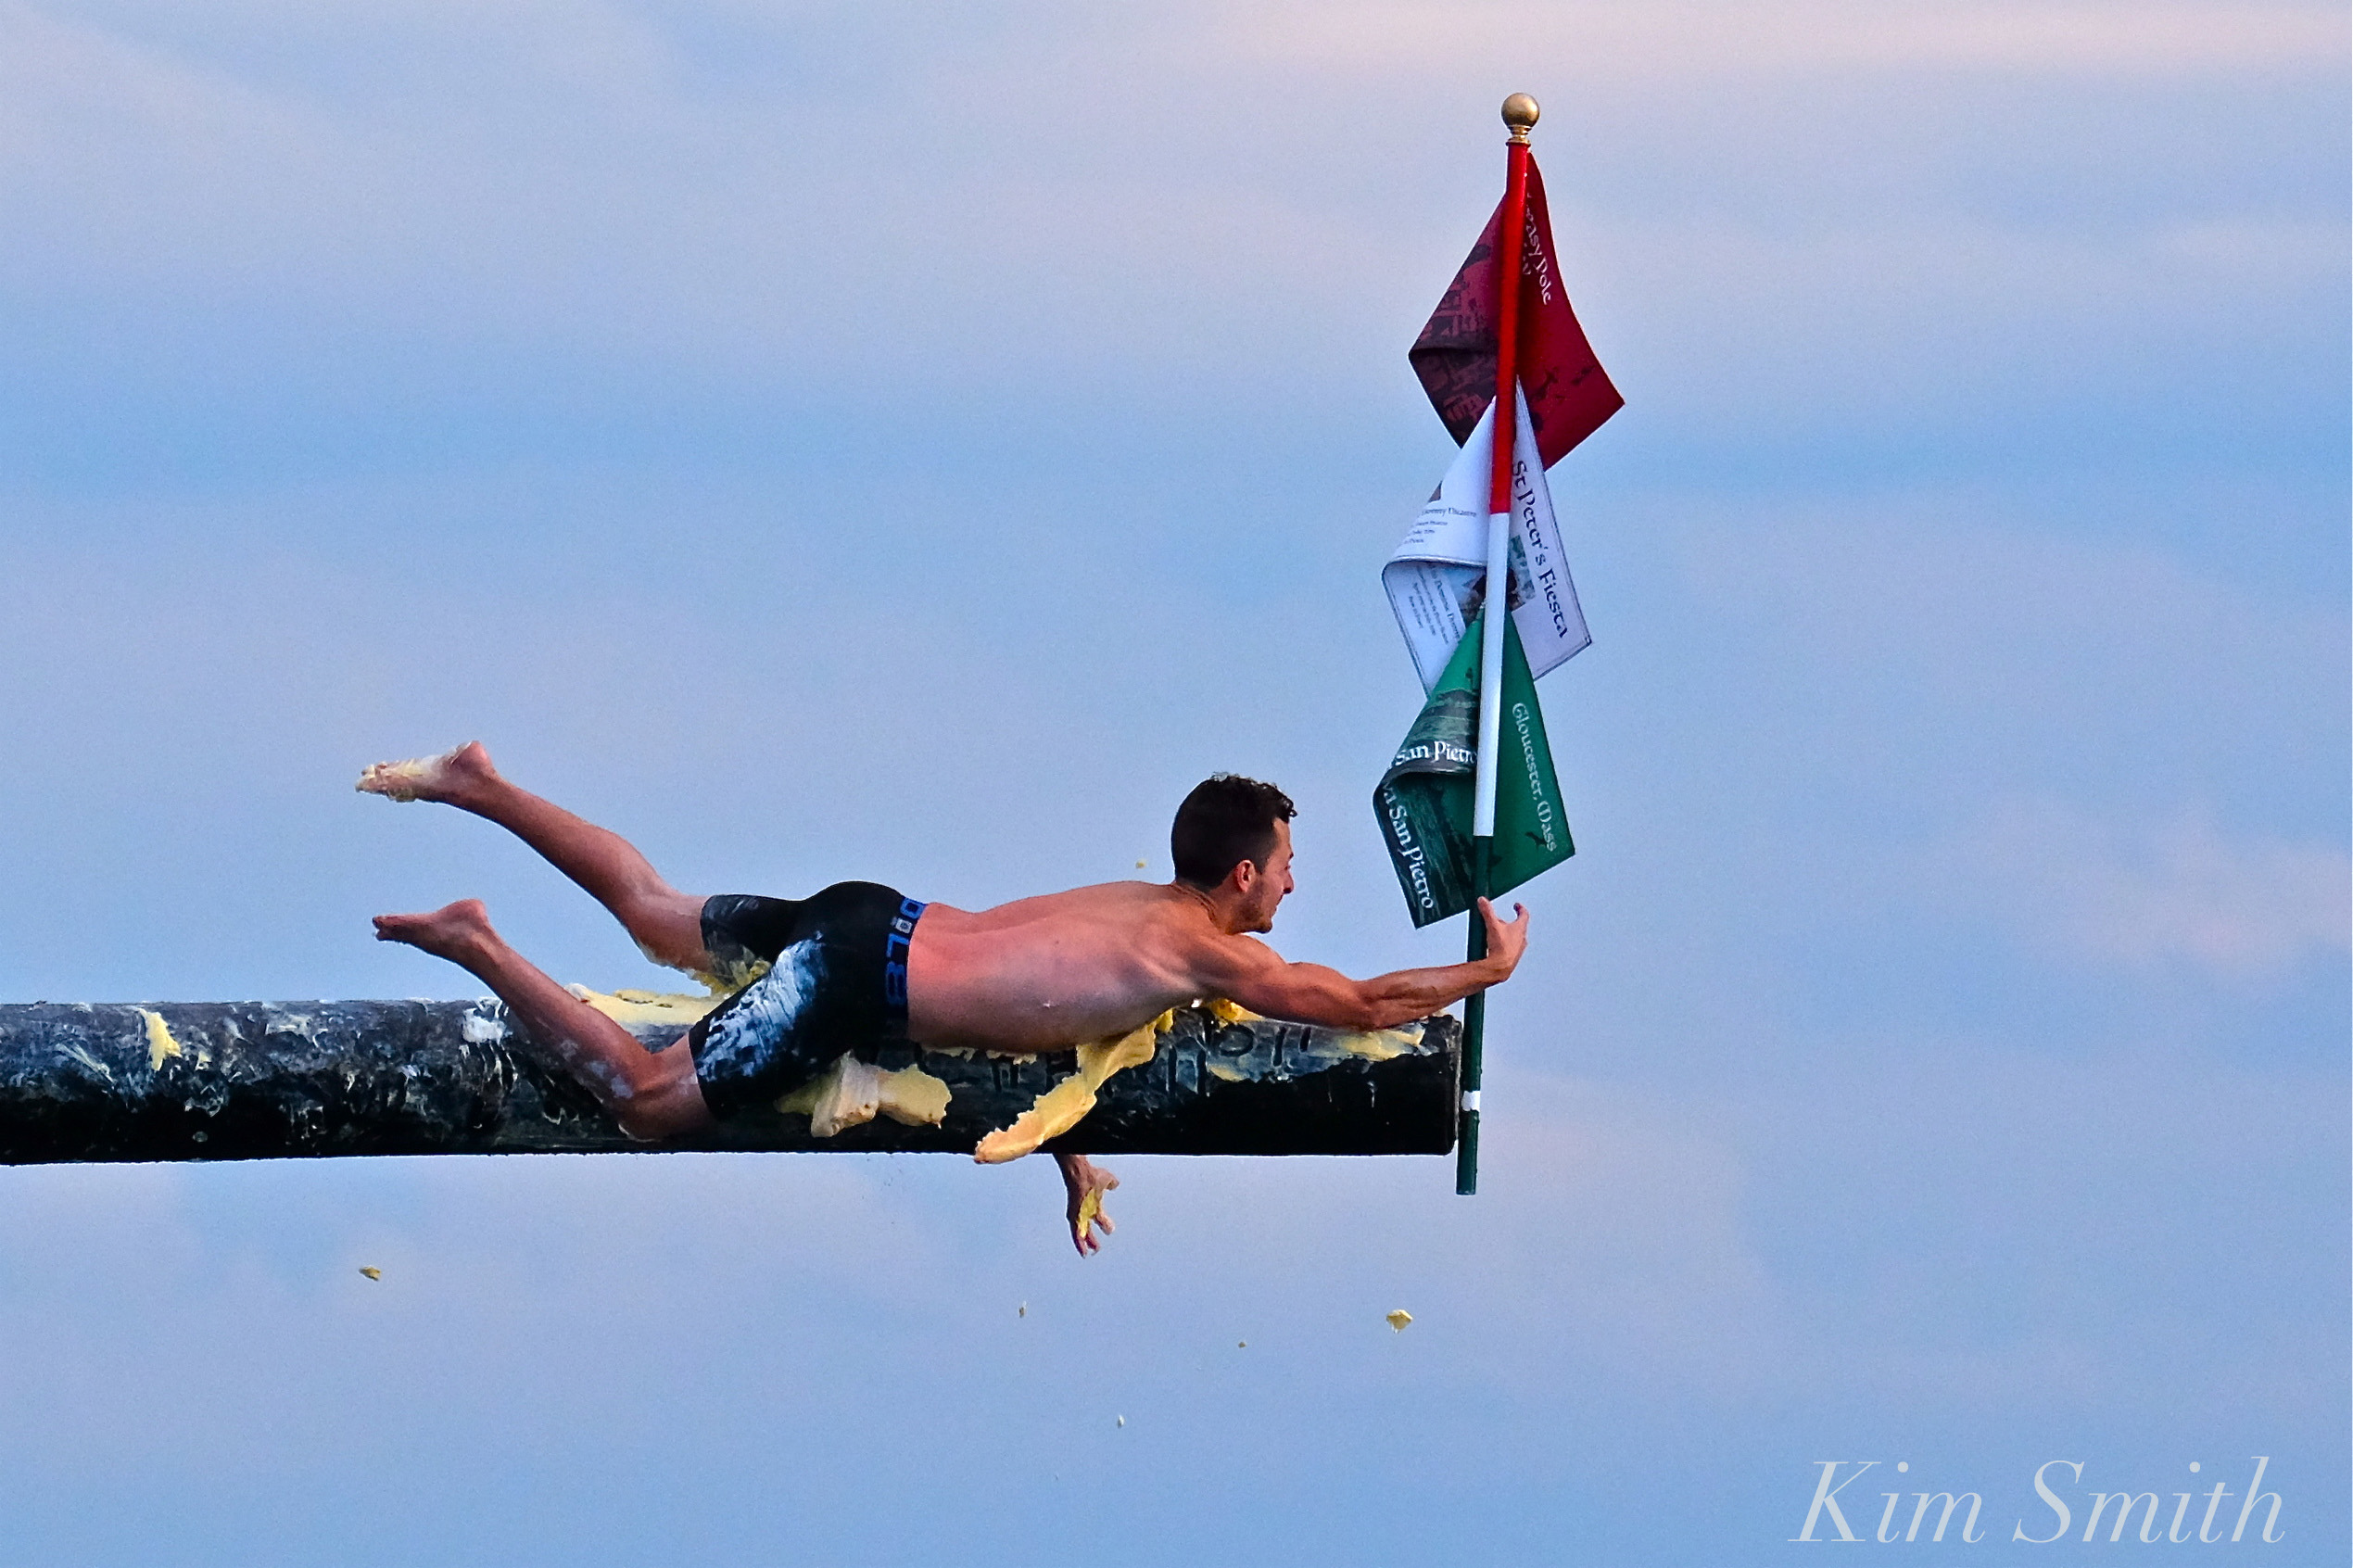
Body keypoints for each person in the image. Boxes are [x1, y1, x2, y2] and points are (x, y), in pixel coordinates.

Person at [362, 743, 1530, 1256]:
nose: (1290, 885)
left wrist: (1069, 1154)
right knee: (647, 1100)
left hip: (872, 918)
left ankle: (480, 785)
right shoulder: (1209, 957)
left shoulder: (1141, 916)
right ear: (1241, 875)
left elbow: (1042, 1022)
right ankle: (479, 943)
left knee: (654, 908)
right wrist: (1487, 971)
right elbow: (1363, 1000)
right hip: (852, 980)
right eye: (1284, 867)